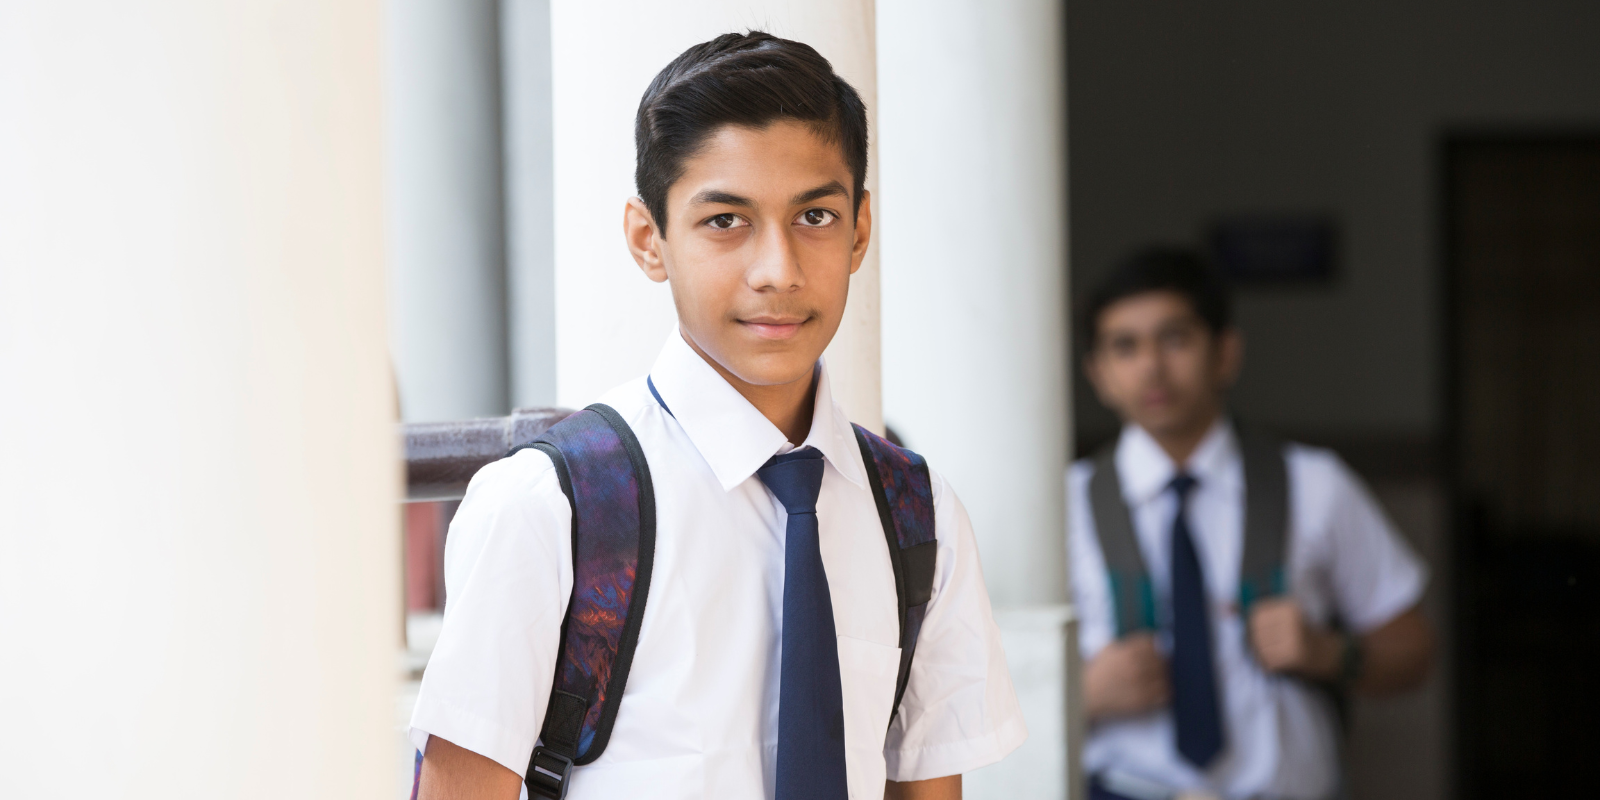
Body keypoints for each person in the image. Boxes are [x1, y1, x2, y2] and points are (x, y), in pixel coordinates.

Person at [409, 32, 1025, 800]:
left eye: (816, 217)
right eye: (726, 221)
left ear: (861, 229)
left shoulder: (915, 515)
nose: (778, 271)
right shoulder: (551, 509)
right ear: (648, 239)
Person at [1069, 248, 1435, 800]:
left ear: (1226, 353)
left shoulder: (1317, 484)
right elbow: (964, 692)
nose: (1151, 366)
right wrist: (1081, 693)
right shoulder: (1060, 506)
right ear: (1098, 374)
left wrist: (1327, 652)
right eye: (1125, 346)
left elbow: (1414, 648)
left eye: (1174, 338)